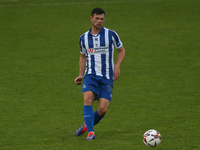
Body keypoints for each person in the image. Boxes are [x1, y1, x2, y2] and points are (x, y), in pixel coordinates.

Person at [74, 7, 125, 141]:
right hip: (90, 75)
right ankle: (91, 132)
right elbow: (83, 56)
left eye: (102, 19)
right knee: (87, 99)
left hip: (107, 77)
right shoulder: (83, 38)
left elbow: (122, 51)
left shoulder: (111, 34)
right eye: (97, 18)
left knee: (103, 109)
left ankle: (86, 126)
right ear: (91, 19)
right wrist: (80, 74)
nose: (99, 21)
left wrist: (117, 66)